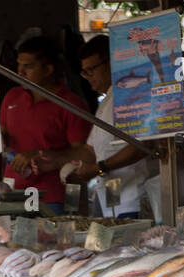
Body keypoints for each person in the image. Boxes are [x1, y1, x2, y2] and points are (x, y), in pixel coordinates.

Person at [0, 36, 94, 214]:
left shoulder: (71, 104)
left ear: (48, 69)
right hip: (12, 193)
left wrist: (41, 155)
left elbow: (85, 154)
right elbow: (1, 135)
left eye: (28, 66)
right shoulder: (11, 97)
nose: (20, 72)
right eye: (19, 65)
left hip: (51, 196)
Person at [69, 34, 156, 218]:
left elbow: (142, 146)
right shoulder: (106, 101)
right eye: (85, 72)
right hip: (109, 196)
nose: (88, 77)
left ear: (111, 63)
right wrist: (57, 161)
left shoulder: (132, 96)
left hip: (133, 196)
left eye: (92, 69)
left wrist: (99, 168)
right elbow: (91, 150)